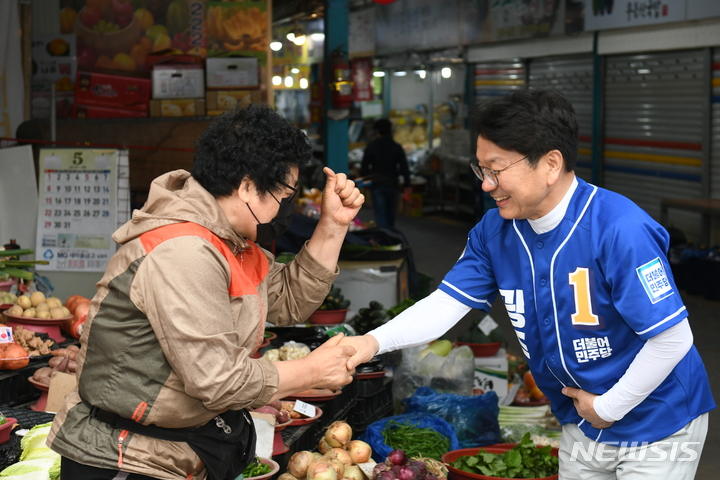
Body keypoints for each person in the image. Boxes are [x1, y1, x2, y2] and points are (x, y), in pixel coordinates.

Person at [342, 88, 715, 479]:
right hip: (581, 416)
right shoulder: (495, 231)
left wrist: (607, 408)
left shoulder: (619, 229)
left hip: (656, 422)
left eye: (496, 169)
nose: (486, 184)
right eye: (481, 169)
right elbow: (446, 304)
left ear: (551, 164)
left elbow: (672, 339)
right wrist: (370, 343)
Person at [47, 104, 364, 480]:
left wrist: (333, 225)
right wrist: (311, 371)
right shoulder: (183, 250)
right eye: (285, 194)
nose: (287, 207)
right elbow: (219, 380)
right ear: (247, 186)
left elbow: (287, 300)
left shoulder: (230, 243)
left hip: (178, 450)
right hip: (126, 459)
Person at [360, 118, 412, 228]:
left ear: (377, 132)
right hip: (392, 184)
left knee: (380, 214)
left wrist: (366, 180)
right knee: (390, 214)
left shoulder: (372, 146)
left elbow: (364, 167)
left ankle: (383, 237)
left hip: (377, 184)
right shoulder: (396, 147)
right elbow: (404, 167)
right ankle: (391, 235)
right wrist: (407, 184)